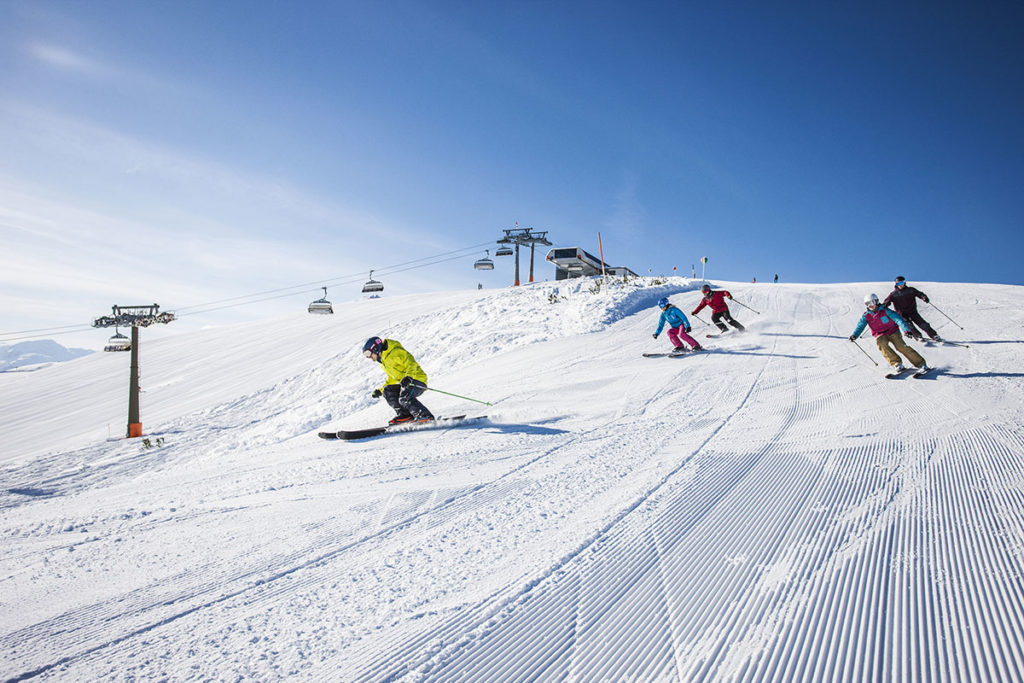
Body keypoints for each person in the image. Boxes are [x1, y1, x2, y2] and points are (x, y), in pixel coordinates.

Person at [849, 294, 930, 374]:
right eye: (867, 304)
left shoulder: (885, 310)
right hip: (879, 334)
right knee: (881, 343)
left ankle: (921, 364)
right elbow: (860, 326)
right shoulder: (866, 315)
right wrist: (854, 335)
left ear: (876, 301)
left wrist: (906, 330)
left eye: (872, 302)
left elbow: (898, 319)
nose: (870, 305)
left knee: (900, 346)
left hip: (893, 331)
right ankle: (897, 363)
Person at [362, 336, 434, 424]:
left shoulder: (395, 352)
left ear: (375, 348)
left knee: (404, 397)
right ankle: (405, 415)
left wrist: (409, 377)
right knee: (387, 391)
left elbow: (410, 362)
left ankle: (424, 416)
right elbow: (392, 378)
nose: (369, 357)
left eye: (368, 354)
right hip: (406, 383)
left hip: (417, 380)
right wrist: (380, 391)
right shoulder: (384, 361)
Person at [882, 276, 940, 341]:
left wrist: (924, 297)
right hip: (902, 313)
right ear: (896, 284)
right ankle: (918, 336)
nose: (900, 285)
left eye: (902, 283)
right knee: (909, 325)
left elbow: (919, 294)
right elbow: (887, 301)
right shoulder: (893, 294)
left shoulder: (910, 290)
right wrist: (884, 305)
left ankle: (934, 335)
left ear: (905, 283)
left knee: (922, 323)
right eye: (898, 284)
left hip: (912, 311)